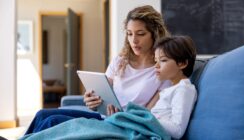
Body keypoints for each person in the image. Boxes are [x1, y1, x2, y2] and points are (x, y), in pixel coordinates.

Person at [24, 5, 171, 135]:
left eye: (140, 34)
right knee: (42, 114)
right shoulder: (120, 61)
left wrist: (124, 115)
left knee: (53, 121)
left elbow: (148, 115)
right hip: (105, 117)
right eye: (129, 33)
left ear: (155, 34)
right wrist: (91, 100)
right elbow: (103, 91)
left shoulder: (162, 71)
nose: (134, 41)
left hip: (123, 123)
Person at [21, 35, 197, 139]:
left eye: (163, 61)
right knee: (49, 117)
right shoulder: (171, 88)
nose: (157, 66)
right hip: (128, 122)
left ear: (182, 63)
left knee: (66, 124)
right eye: (157, 61)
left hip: (140, 130)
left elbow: (177, 130)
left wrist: (139, 117)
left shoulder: (184, 89)